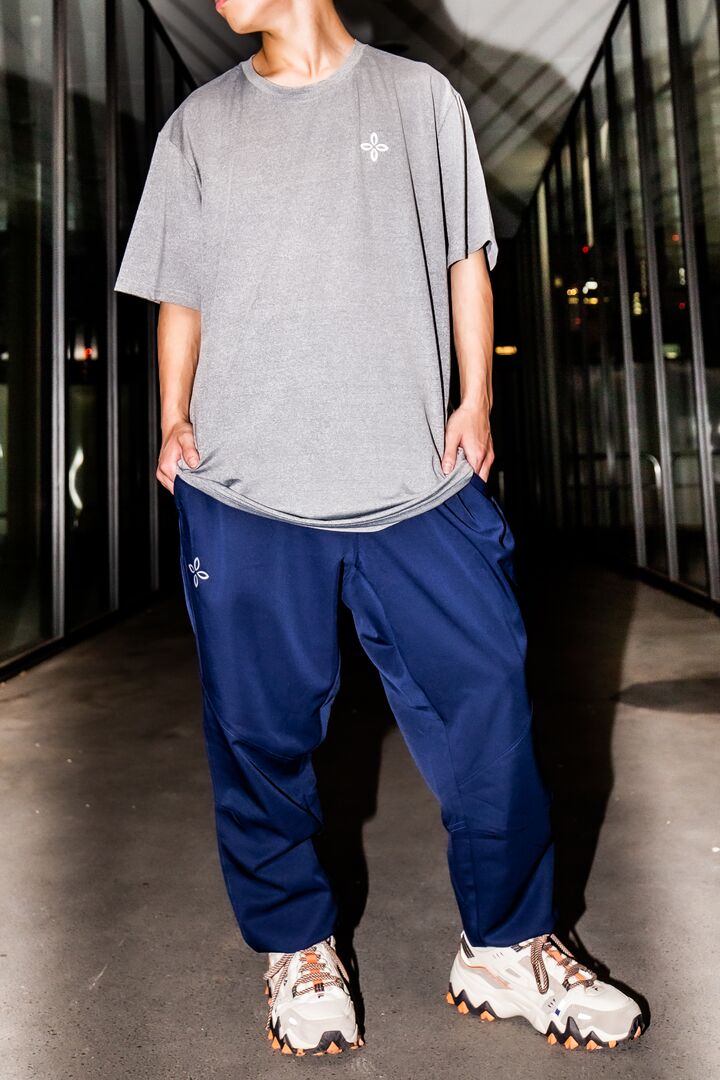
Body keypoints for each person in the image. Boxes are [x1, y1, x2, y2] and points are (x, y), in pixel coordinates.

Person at [114, 0, 644, 1058]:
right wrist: (174, 417)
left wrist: (475, 402)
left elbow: (464, 262)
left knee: (489, 703)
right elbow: (182, 291)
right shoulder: (200, 125)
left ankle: (507, 945)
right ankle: (297, 945)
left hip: (416, 480)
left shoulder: (417, 98)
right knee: (259, 734)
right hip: (249, 490)